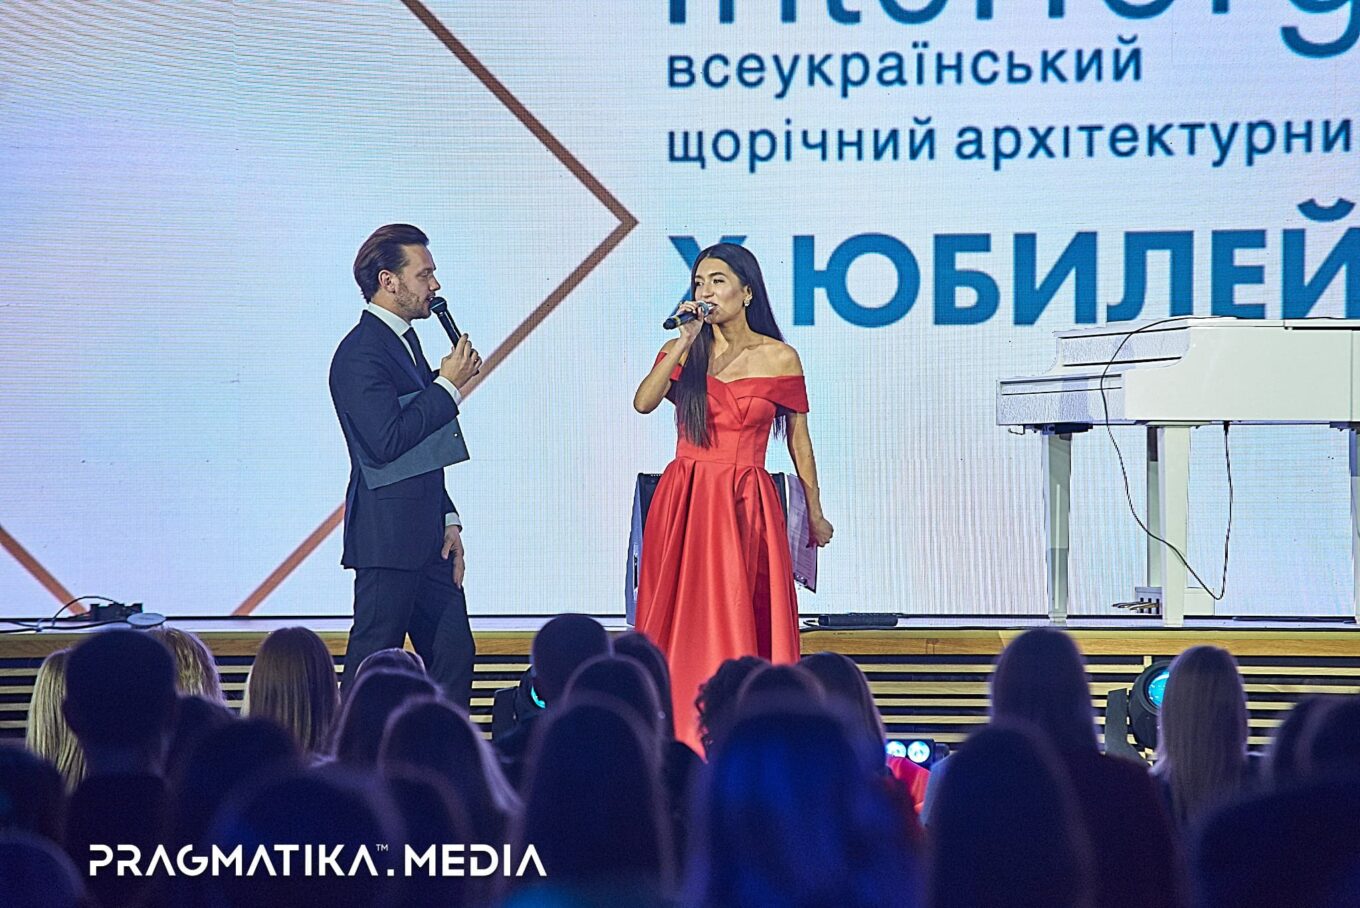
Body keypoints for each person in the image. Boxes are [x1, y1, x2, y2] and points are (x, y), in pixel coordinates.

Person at [633, 243, 833, 749]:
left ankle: (746, 729)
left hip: (747, 500)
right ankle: (675, 732)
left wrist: (814, 510)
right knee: (680, 617)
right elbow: (643, 402)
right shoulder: (685, 350)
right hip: (686, 499)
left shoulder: (779, 356)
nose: (706, 291)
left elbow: (799, 439)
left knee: (742, 610)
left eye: (717, 281)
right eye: (699, 282)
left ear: (747, 292)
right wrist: (684, 341)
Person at [330, 224, 481, 707]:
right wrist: (447, 387)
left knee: (454, 654)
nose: (435, 285)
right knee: (373, 662)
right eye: (424, 274)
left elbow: (423, 448)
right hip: (388, 538)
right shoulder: (361, 352)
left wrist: (447, 516)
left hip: (428, 536)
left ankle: (445, 748)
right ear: (388, 281)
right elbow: (386, 442)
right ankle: (354, 747)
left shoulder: (404, 342)